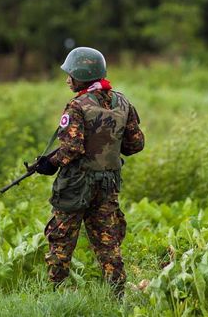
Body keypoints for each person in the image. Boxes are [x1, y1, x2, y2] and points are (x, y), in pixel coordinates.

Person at [34, 46, 145, 297]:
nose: (66, 79)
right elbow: (136, 144)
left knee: (61, 238)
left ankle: (55, 292)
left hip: (76, 183)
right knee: (108, 241)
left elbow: (71, 148)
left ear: (81, 75)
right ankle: (118, 295)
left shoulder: (77, 106)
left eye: (70, 74)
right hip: (108, 183)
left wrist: (50, 163)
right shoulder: (123, 102)